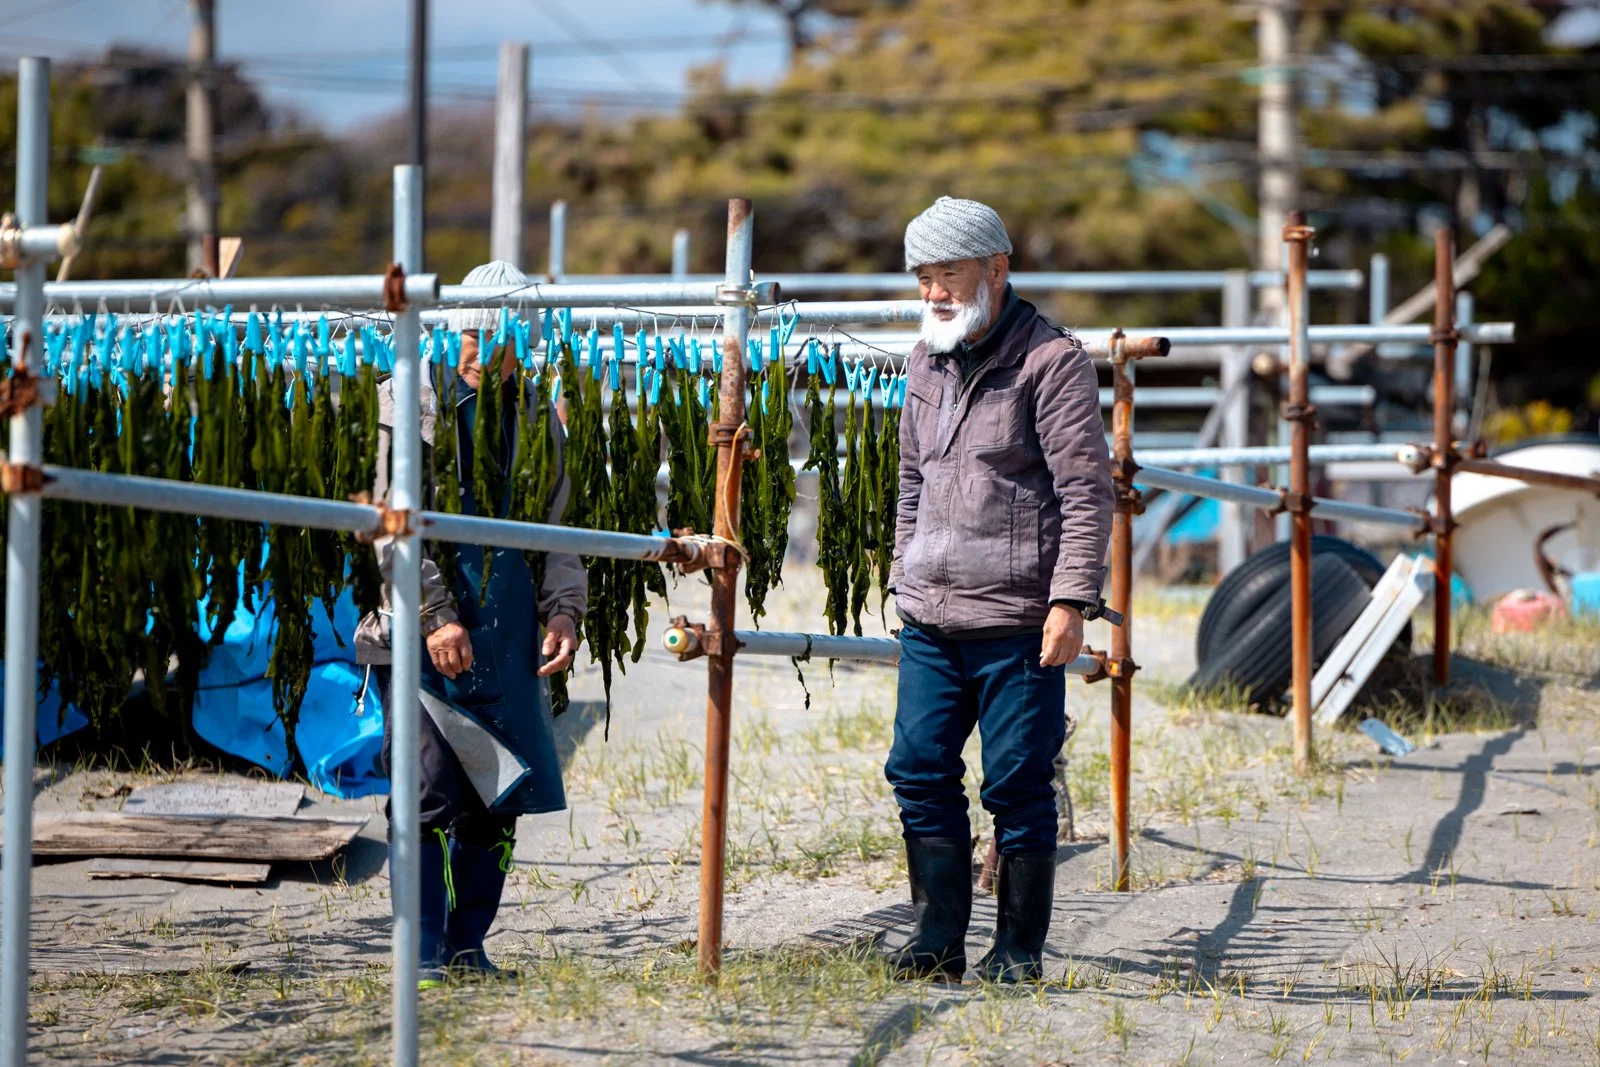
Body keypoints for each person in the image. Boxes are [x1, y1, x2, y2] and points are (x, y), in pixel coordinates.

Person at [885, 197, 1113, 983]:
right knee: (916, 767)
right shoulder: (925, 359)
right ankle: (937, 934)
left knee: (1016, 782)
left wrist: (1071, 601)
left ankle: (1018, 949)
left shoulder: (1052, 363)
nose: (934, 294)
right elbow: (911, 480)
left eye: (948, 274)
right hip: (931, 615)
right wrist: (899, 573)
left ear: (996, 268)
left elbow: (1087, 492)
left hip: (1019, 618)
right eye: (924, 278)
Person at [355, 260, 585, 987]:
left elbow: (559, 528)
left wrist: (563, 609)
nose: (482, 352)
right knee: (425, 792)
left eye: (502, 338)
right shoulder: (409, 402)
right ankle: (419, 948)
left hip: (509, 631)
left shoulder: (539, 416)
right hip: (425, 632)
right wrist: (433, 614)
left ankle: (466, 945)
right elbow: (394, 527)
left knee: (499, 792)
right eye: (473, 335)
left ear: (528, 341)